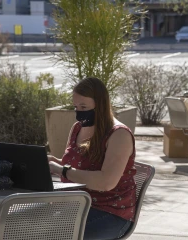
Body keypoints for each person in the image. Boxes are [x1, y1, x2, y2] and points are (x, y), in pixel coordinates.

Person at [47, 77, 136, 240]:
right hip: (75, 206)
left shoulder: (119, 134)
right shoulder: (78, 128)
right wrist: (53, 162)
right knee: (14, 223)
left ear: (100, 105)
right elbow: (75, 168)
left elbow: (106, 182)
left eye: (83, 106)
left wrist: (61, 170)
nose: (78, 112)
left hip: (110, 212)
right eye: (75, 106)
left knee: (53, 235)